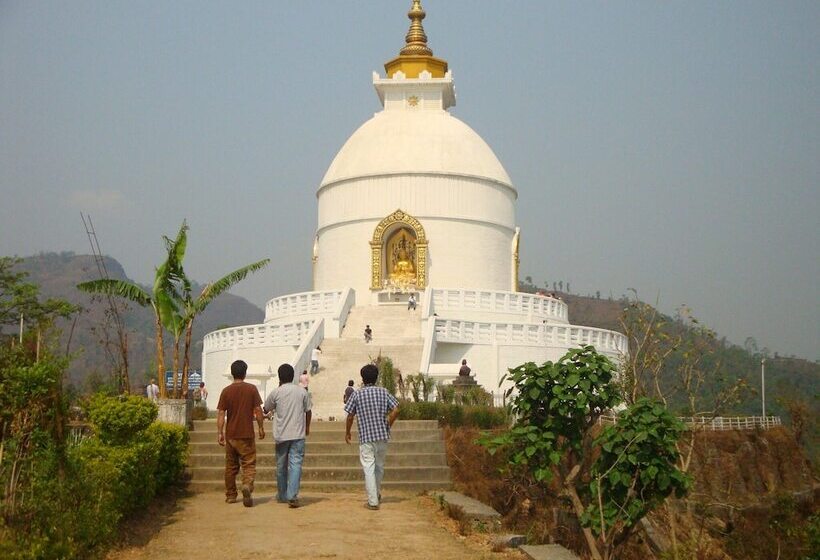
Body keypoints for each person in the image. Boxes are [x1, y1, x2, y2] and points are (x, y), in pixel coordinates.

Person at [344, 364, 399, 510]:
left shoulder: (357, 394)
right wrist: (388, 423)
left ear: (362, 378)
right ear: (376, 377)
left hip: (366, 436)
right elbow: (395, 410)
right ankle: (377, 493)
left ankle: (373, 501)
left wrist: (347, 432)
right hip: (382, 435)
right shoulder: (384, 392)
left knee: (368, 467)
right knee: (379, 467)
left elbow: (350, 415)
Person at [216, 360, 265, 507]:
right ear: (245, 373)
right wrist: (261, 428)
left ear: (232, 374)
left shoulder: (226, 391)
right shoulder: (251, 389)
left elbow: (220, 413)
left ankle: (231, 495)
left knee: (231, 467)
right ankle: (247, 486)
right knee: (248, 464)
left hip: (231, 434)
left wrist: (220, 432)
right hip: (247, 434)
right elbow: (258, 411)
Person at [264, 364, 312, 508]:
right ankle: (292, 495)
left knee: (281, 466)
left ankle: (283, 494)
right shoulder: (302, 392)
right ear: (293, 376)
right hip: (298, 434)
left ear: (279, 377)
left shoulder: (276, 393)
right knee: (296, 464)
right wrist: (307, 427)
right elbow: (308, 411)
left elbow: (266, 408)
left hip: (281, 435)